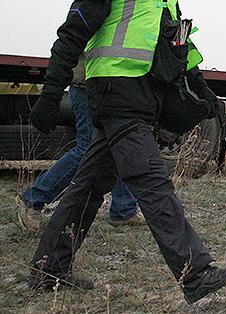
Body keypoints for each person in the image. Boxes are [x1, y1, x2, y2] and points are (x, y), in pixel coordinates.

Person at [26, 0, 226, 304]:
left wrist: (201, 85)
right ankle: (195, 273)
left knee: (88, 185)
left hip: (145, 93)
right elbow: (72, 35)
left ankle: (48, 268)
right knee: (151, 180)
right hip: (113, 92)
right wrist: (50, 93)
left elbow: (177, 39)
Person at [18, 57, 143, 232]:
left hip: (112, 89)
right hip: (90, 86)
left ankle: (124, 210)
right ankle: (34, 199)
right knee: (88, 149)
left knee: (119, 145)